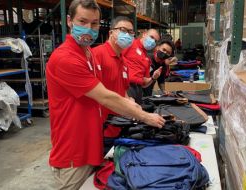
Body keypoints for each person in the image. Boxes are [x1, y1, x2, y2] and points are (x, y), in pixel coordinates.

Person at [46, 0, 165, 189]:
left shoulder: (89, 55)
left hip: (92, 144)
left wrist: (129, 103)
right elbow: (106, 97)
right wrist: (144, 116)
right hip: (73, 152)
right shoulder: (66, 58)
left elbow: (112, 91)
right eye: (82, 21)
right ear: (69, 21)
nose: (88, 28)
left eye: (94, 23)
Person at [92, 16, 135, 153]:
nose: (127, 35)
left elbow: (123, 90)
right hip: (101, 130)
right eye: (123, 30)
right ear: (111, 33)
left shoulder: (123, 61)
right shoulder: (96, 55)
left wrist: (130, 101)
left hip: (119, 125)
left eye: (131, 32)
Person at [123, 29, 161, 105]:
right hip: (126, 86)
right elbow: (117, 58)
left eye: (155, 41)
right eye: (151, 37)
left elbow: (144, 84)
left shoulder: (147, 59)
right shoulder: (130, 44)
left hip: (138, 90)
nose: (153, 41)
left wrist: (153, 78)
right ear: (144, 34)